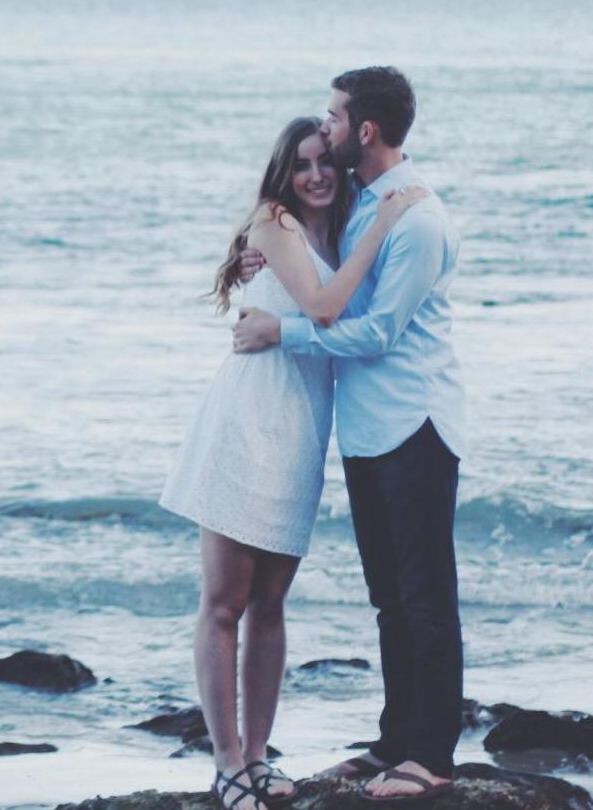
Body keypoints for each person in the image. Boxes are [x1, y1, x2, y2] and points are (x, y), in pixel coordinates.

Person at [159, 114, 425, 810]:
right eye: (302, 163)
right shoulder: (273, 221)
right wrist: (384, 224)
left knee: (271, 607)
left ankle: (256, 757)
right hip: (246, 421)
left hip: (302, 431)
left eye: (324, 162)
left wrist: (377, 225)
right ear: (283, 171)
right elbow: (324, 308)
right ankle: (226, 767)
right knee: (224, 604)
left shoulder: (335, 230)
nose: (314, 174)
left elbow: (350, 305)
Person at [233, 67, 466, 804]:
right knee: (389, 597)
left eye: (334, 118)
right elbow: (309, 259)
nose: (325, 127)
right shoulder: (361, 202)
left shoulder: (416, 218)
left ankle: (431, 757)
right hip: (366, 430)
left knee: (425, 596)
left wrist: (282, 332)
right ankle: (394, 742)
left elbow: (376, 332)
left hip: (414, 422)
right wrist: (257, 261)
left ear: (364, 130)